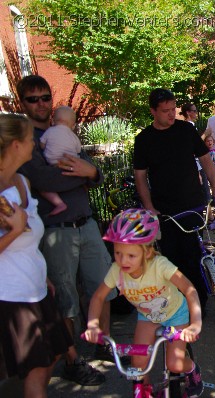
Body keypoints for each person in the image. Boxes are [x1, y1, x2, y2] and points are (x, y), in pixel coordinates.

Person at [17, 74, 113, 385]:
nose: (41, 103)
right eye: (34, 99)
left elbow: (93, 171)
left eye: (45, 97)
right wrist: (83, 173)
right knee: (66, 299)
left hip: (85, 222)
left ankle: (104, 346)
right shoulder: (25, 138)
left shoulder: (63, 129)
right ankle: (73, 359)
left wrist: (92, 171)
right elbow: (43, 180)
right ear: (23, 103)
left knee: (103, 287)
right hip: (56, 229)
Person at [84, 209, 204, 397]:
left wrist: (195, 324)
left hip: (175, 313)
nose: (123, 261)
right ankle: (145, 390)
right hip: (148, 316)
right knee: (138, 365)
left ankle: (192, 370)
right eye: (117, 253)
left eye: (131, 256)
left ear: (147, 252)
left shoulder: (160, 265)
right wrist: (92, 325)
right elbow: (98, 297)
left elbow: (189, 289)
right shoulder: (117, 270)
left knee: (175, 364)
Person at [133, 88, 215, 316]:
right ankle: (180, 302)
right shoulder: (144, 139)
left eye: (173, 109)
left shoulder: (186, 130)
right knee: (172, 259)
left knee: (193, 254)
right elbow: (140, 177)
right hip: (165, 209)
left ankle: (199, 303)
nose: (171, 114)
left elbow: (205, 159)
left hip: (193, 203)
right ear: (153, 111)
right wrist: (149, 208)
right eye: (165, 111)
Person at [0, 113, 72, 397]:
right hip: (13, 295)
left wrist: (45, 277)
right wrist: (14, 232)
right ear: (16, 144)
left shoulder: (21, 180)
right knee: (38, 368)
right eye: (31, 139)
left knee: (51, 356)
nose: (36, 144)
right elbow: (18, 234)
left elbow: (30, 238)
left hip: (36, 287)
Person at [38, 106, 80, 216]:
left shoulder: (49, 131)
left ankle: (59, 203)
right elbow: (78, 149)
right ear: (73, 125)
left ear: (52, 121)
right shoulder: (73, 136)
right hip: (72, 165)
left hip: (54, 165)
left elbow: (42, 145)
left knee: (43, 188)